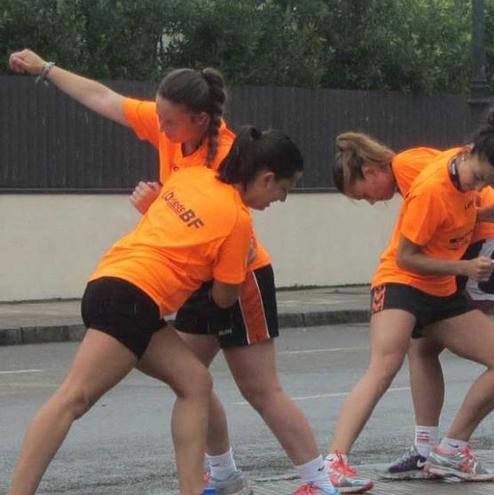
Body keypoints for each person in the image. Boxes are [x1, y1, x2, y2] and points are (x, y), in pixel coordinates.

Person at [7, 50, 338, 495]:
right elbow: (104, 99)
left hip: (178, 276)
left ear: (201, 120)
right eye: (158, 117)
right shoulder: (192, 164)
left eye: (169, 122)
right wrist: (47, 69)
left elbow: (224, 254)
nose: (159, 129)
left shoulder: (220, 165)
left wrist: (161, 211)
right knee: (77, 397)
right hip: (153, 285)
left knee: (203, 383)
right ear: (265, 180)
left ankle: (252, 479)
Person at [333, 134, 494, 480]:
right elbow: (429, 228)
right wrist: (478, 223)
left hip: (488, 248)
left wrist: (472, 236)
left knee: (440, 351)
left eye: (363, 194)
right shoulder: (442, 178)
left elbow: (428, 229)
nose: (371, 202)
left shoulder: (412, 170)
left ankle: (435, 450)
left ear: (370, 171)